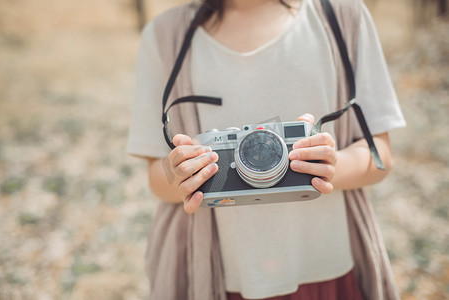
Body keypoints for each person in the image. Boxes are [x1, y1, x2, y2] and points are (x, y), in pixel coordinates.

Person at [126, 0, 406, 299]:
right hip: (216, 274)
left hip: (327, 264)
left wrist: (328, 167)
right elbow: (158, 177)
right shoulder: (166, 35)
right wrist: (186, 172)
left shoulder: (343, 16)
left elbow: (380, 157)